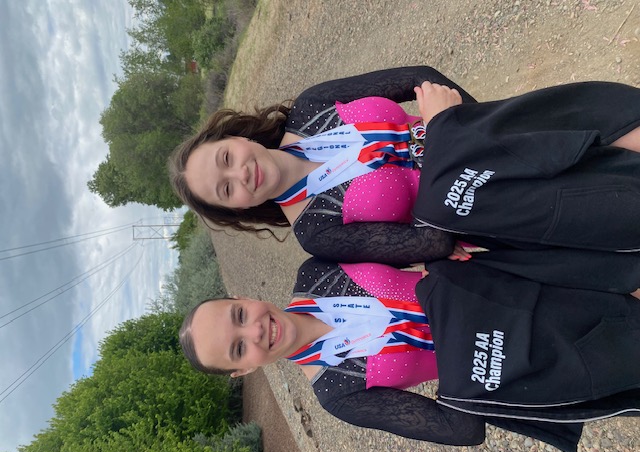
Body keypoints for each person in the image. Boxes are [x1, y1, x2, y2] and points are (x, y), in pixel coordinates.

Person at [169, 67, 640, 268]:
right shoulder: (315, 232)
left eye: (226, 160)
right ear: (240, 209)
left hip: (497, 133)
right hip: (499, 206)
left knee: (617, 122)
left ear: (235, 137)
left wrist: (475, 126)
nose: (239, 174)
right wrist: (452, 143)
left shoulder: (312, 104)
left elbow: (419, 76)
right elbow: (432, 242)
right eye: (225, 190)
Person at [179, 257, 640, 452]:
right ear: (243, 370)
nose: (256, 329)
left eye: (239, 314)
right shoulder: (338, 394)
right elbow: (461, 428)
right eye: (239, 346)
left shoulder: (317, 267)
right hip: (527, 367)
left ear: (240, 297)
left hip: (518, 288)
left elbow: (429, 240)